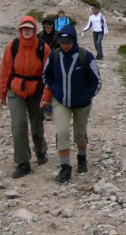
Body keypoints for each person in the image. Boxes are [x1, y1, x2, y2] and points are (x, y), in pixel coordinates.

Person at [40, 25, 102, 183]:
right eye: (62, 42)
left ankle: (82, 158)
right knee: (61, 132)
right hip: (61, 102)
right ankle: (65, 168)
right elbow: (46, 75)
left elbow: (97, 81)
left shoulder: (85, 56)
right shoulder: (54, 56)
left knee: (80, 133)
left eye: (68, 42)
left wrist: (88, 96)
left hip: (82, 103)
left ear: (74, 40)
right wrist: (54, 90)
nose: (65, 45)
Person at [0, 16, 51, 178]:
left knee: (37, 123)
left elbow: (49, 75)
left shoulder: (43, 47)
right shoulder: (12, 46)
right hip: (16, 91)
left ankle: (41, 150)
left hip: (36, 92)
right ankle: (23, 162)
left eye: (29, 28)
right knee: (18, 125)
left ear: (34, 29)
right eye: (23, 28)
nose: (26, 30)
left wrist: (47, 96)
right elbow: (6, 71)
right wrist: (2, 94)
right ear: (20, 29)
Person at [37, 17, 59, 120]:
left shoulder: (58, 36)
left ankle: (49, 111)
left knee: (49, 85)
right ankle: (40, 110)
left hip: (54, 64)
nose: (48, 28)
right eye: (46, 26)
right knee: (40, 86)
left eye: (49, 26)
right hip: (40, 64)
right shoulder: (39, 36)